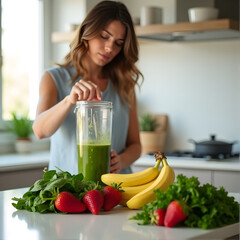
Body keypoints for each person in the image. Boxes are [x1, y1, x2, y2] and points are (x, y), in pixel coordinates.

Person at [32, 0, 143, 175]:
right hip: (68, 193)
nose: (109, 48)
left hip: (116, 192)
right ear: (87, 31)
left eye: (118, 43)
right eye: (104, 36)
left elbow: (135, 145)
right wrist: (69, 100)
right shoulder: (53, 78)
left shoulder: (124, 85)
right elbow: (39, 131)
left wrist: (121, 161)